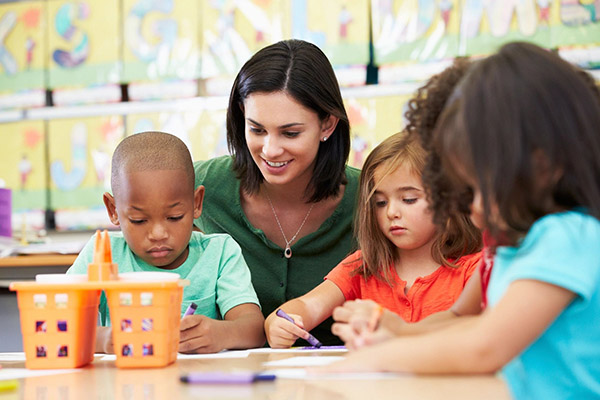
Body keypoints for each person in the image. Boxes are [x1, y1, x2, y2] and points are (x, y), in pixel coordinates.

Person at [322, 42, 600, 399]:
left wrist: (381, 357)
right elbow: (467, 322)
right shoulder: (517, 245)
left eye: (480, 189)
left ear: (542, 165)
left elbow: (485, 346)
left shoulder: (567, 236)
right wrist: (399, 333)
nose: (473, 209)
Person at [193, 39, 360, 345]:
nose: (270, 149)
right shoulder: (200, 185)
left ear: (328, 125)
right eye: (256, 129)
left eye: (290, 132)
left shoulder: (372, 198)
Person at [264, 131, 482, 348]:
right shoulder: (363, 265)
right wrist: (279, 323)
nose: (391, 213)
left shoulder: (475, 269)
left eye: (408, 199)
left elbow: (479, 337)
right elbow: (307, 306)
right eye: (380, 202)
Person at [332, 57, 487, 347]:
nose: (457, 198)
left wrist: (389, 345)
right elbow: (456, 317)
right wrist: (396, 331)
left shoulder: (558, 240)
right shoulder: (498, 249)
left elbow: (486, 346)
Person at [67, 131, 265, 354]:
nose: (158, 234)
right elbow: (59, 324)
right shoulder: (101, 254)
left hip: (200, 384)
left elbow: (255, 329)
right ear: (113, 210)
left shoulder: (220, 253)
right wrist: (102, 339)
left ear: (196, 203)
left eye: (174, 217)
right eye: (139, 220)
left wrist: (221, 334)